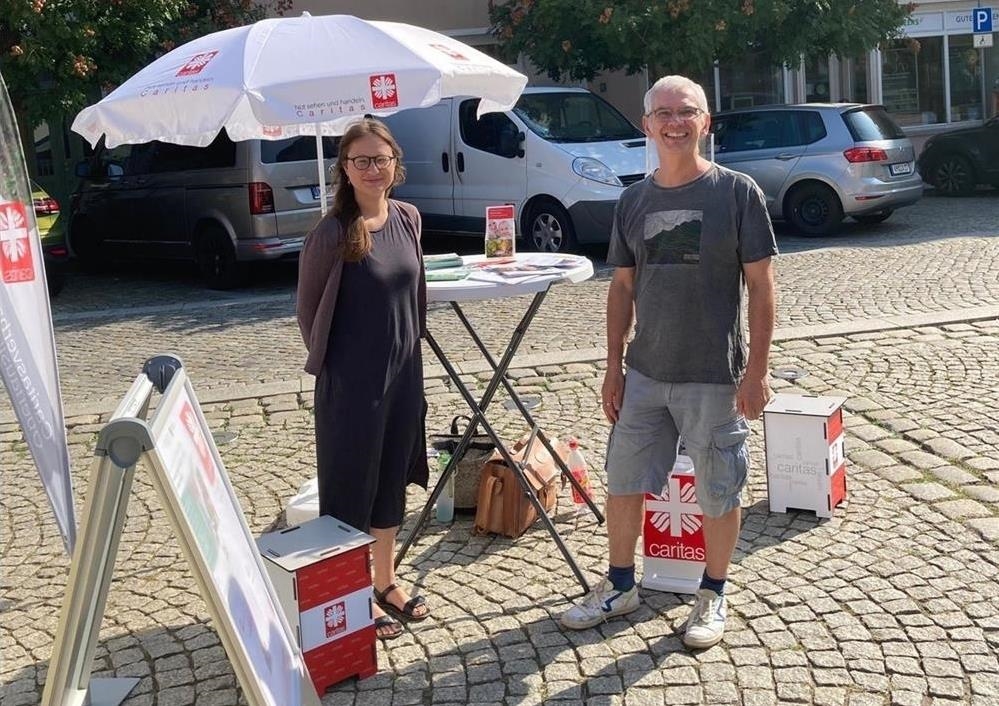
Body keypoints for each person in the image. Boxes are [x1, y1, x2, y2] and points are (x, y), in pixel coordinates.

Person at [560, 76, 777, 649]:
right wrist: (613, 366)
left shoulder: (737, 193)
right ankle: (620, 585)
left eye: (687, 112)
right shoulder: (633, 200)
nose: (675, 122)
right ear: (646, 124)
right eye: (663, 113)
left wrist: (757, 371)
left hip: (713, 375)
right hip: (645, 373)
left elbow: (761, 287)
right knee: (624, 481)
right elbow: (622, 289)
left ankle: (712, 593)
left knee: (718, 489)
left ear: (706, 122)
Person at [297, 118, 431, 641]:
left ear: (396, 163)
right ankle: (351, 595)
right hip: (352, 384)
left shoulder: (409, 218)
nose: (373, 169)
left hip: (404, 375)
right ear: (345, 170)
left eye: (382, 159)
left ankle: (385, 581)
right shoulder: (331, 234)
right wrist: (346, 366)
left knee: (391, 483)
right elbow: (309, 314)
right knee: (350, 488)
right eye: (361, 161)